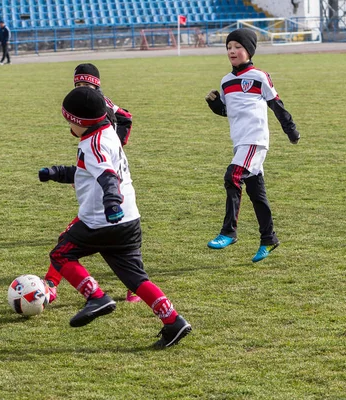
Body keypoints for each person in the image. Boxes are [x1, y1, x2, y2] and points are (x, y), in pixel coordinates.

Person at [38, 86, 192, 348]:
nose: (68, 127)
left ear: (80, 122)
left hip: (102, 221)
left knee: (61, 254)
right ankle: (173, 321)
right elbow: (88, 173)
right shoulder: (107, 133)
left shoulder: (92, 144)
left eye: (69, 122)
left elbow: (108, 177)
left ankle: (96, 297)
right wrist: (57, 173)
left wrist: (111, 203)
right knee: (135, 278)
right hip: (129, 222)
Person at [43, 63, 140, 303]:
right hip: (96, 172)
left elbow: (126, 117)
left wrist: (118, 145)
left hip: (108, 179)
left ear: (97, 85)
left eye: (88, 84)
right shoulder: (82, 105)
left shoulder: (104, 104)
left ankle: (51, 284)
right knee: (123, 242)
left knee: (70, 241)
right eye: (79, 84)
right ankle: (135, 287)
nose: (83, 87)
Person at [205, 28, 300, 262]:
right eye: (228, 47)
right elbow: (230, 111)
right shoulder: (226, 82)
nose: (232, 51)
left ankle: (229, 232)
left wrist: (291, 129)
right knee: (256, 193)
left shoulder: (259, 76)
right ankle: (269, 239)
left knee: (232, 176)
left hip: (255, 140)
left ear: (249, 50)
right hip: (240, 142)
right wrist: (215, 105)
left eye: (237, 47)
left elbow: (276, 104)